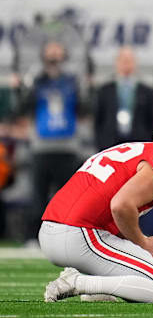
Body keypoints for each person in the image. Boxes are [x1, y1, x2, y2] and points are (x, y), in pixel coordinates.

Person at [39, 115, 153, 303]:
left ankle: (96, 291)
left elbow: (116, 217)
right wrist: (143, 242)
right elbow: (120, 206)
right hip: (79, 233)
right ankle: (79, 282)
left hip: (56, 229)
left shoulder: (139, 150)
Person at [15, 40, 88, 246]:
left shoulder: (72, 81)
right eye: (50, 49)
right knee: (38, 195)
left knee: (68, 198)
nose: (54, 53)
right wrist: (20, 88)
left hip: (67, 147)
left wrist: (86, 86)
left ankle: (68, 239)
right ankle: (33, 237)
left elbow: (84, 108)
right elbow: (22, 108)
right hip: (41, 146)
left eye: (58, 49)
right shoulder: (37, 82)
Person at [94, 46, 153, 150]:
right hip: (110, 144)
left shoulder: (147, 92)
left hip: (138, 144)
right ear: (117, 62)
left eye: (129, 60)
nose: (126, 64)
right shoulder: (105, 91)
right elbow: (98, 120)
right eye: (123, 60)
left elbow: (152, 120)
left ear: (135, 63)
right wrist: (101, 143)